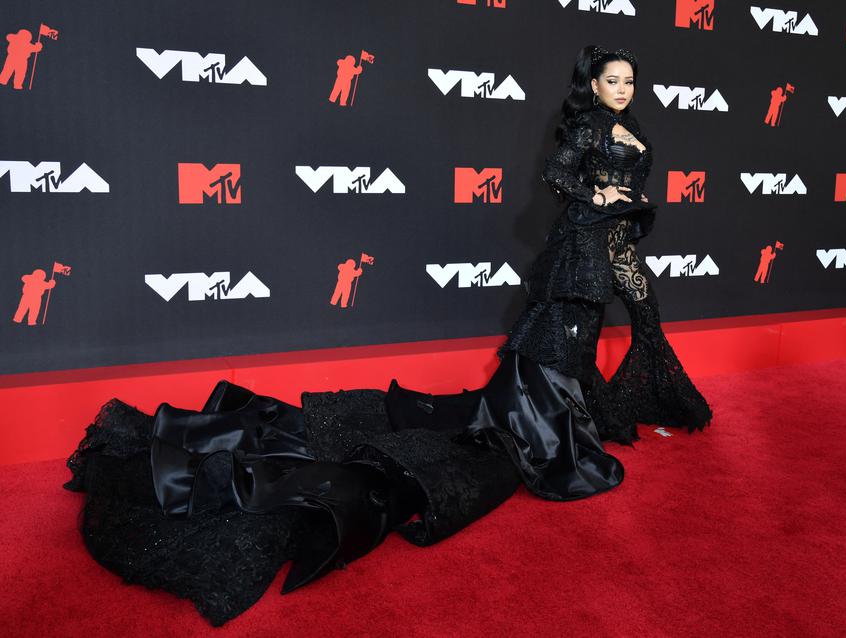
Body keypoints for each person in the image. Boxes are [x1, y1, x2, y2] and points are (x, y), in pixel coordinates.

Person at [64, 45, 711, 626]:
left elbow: (625, 209)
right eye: (613, 80)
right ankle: (542, 430)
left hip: (602, 264)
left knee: (556, 357)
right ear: (593, 85)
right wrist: (597, 196)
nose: (623, 88)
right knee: (542, 365)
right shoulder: (589, 129)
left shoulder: (631, 132)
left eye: (629, 80)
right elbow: (561, 177)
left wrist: (629, 258)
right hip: (578, 263)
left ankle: (545, 420)